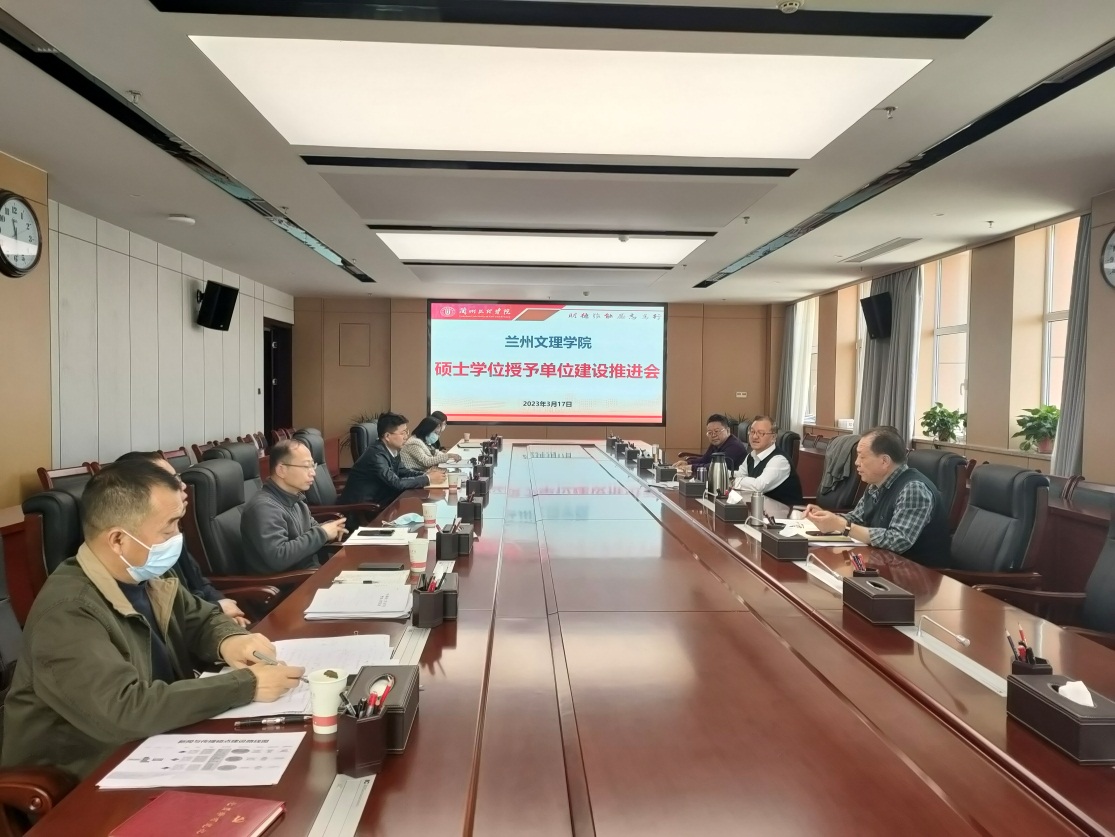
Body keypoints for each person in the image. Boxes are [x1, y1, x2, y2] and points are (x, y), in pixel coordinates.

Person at [1, 460, 303, 780]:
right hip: (85, 778)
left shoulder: (145, 575)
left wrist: (229, 640)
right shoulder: (68, 612)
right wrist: (246, 685)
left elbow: (201, 619)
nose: (178, 537)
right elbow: (125, 709)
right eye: (169, 527)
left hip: (155, 743)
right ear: (118, 540)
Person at [116, 451, 249, 627]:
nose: (183, 485)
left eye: (177, 477)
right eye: (171, 480)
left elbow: (200, 584)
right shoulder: (142, 553)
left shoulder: (172, 534)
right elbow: (168, 618)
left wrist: (223, 607)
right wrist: (217, 609)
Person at [804, 427, 951, 566]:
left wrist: (842, 526)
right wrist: (827, 518)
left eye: (862, 457)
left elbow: (897, 540)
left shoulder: (913, 489)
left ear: (884, 461)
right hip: (882, 562)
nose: (856, 462)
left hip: (917, 573)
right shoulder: (876, 483)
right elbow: (857, 518)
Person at [240, 439, 347, 574]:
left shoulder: (296, 498)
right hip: (291, 582)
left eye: (312, 466)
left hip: (310, 573)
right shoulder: (263, 508)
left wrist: (331, 529)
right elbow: (278, 557)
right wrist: (322, 533)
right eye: (306, 466)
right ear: (282, 470)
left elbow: (312, 529)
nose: (313, 473)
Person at [339, 412, 445, 508]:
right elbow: (396, 483)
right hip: (363, 510)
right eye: (402, 433)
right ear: (387, 436)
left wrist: (426, 474)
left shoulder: (392, 450)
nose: (406, 436)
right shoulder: (376, 456)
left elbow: (403, 471)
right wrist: (427, 478)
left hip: (382, 500)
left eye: (406, 432)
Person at [730, 416, 804, 515]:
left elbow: (759, 486)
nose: (754, 436)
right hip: (762, 512)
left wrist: (731, 481)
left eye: (761, 433)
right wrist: (722, 473)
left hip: (787, 516)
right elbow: (739, 474)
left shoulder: (779, 460)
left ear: (773, 437)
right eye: (752, 432)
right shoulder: (751, 456)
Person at [676, 414, 748, 474]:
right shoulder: (717, 443)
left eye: (716, 431)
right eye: (710, 432)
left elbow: (717, 468)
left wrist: (691, 467)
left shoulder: (734, 447)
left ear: (728, 430)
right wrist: (687, 463)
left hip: (731, 483)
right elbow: (705, 459)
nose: (713, 435)